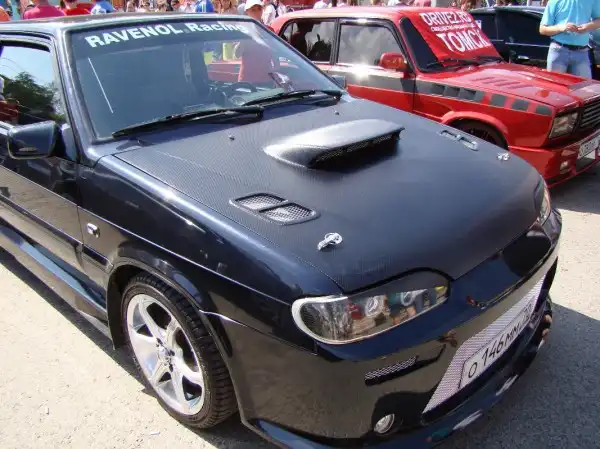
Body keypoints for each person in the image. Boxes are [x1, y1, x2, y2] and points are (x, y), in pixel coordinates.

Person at [540, 0, 600, 78]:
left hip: (582, 52)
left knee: (584, 85)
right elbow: (542, 29)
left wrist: (587, 27)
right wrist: (561, 28)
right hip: (558, 51)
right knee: (556, 84)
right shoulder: (554, 1)